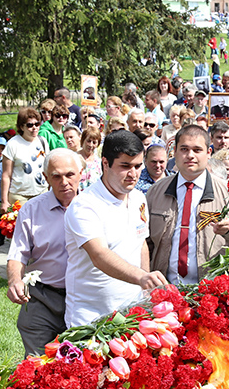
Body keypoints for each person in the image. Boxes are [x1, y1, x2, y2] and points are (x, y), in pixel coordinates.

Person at [64, 130, 168, 327]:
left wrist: (144, 292)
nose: (133, 174)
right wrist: (142, 277)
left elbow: (141, 244)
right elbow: (99, 255)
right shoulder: (85, 205)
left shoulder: (138, 198)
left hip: (131, 313)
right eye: (125, 166)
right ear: (105, 163)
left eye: (138, 166)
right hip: (90, 318)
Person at [146, 125, 229, 284]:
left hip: (210, 292)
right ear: (175, 151)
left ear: (208, 153)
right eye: (184, 149)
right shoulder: (155, 192)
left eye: (197, 150)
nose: (190, 155)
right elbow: (144, 243)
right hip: (164, 290)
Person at [6, 148, 82, 355]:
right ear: (46, 178)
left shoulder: (93, 208)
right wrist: (15, 281)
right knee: (36, 366)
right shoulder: (31, 210)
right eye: (56, 176)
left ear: (81, 173)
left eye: (69, 175)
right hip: (43, 297)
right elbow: (18, 253)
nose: (64, 182)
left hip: (84, 297)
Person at [1, 108, 49, 214]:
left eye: (37, 124)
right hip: (19, 194)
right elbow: (6, 175)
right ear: (21, 127)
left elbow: (47, 168)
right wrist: (4, 201)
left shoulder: (42, 141)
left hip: (41, 192)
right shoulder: (13, 144)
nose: (34, 128)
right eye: (30, 125)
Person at [78, 127, 102, 192]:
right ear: (83, 140)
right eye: (88, 141)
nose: (91, 145)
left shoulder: (99, 162)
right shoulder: (74, 158)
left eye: (94, 142)